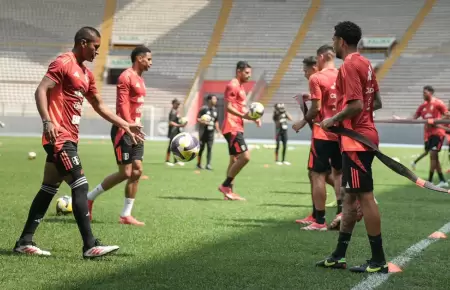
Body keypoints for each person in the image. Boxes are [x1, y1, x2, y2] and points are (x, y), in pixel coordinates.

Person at [13, 27, 144, 258]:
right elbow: (41, 90)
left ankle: (24, 241)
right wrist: (47, 121)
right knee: (80, 184)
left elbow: (100, 106)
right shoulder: (63, 62)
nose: (97, 52)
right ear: (83, 43)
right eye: (95, 47)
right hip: (58, 135)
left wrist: (125, 124)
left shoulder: (86, 74)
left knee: (48, 188)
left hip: (70, 137)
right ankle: (89, 245)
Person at [317, 21, 386, 273]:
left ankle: (378, 260)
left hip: (357, 141)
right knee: (349, 199)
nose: (333, 43)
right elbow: (375, 102)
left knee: (365, 197)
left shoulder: (347, 65)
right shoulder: (366, 63)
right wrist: (346, 120)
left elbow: (357, 104)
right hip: (360, 137)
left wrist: (334, 119)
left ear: (341, 41)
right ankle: (339, 255)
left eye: (334, 39)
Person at [87, 46, 152, 226]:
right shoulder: (126, 77)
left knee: (137, 170)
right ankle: (89, 199)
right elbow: (122, 105)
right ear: (139, 58)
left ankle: (126, 215)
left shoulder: (140, 78)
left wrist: (136, 126)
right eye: (149, 59)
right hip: (123, 130)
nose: (151, 63)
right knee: (126, 173)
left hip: (135, 130)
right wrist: (129, 125)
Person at [292, 45, 342, 231]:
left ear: (320, 57)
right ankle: (341, 212)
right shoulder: (342, 75)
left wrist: (302, 122)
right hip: (341, 132)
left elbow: (317, 109)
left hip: (322, 132)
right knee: (338, 173)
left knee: (317, 175)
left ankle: (319, 220)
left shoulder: (317, 77)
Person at [219, 61, 261, 201]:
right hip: (232, 127)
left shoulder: (241, 87)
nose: (249, 76)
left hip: (237, 126)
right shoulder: (233, 85)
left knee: (234, 160)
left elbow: (240, 107)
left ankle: (229, 192)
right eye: (247, 73)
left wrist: (253, 117)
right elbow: (228, 107)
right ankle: (225, 185)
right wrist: (245, 116)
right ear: (239, 71)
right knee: (245, 157)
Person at [407, 86, 448, 186]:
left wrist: (436, 121)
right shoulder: (423, 106)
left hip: (438, 133)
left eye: (425, 93)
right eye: (423, 93)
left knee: (433, 156)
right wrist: (400, 119)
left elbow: (447, 114)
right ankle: (442, 180)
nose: (423, 95)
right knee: (435, 158)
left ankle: (429, 181)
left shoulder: (438, 103)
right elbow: (414, 117)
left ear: (431, 93)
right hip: (428, 135)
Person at [197, 94, 220, 170]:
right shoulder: (203, 109)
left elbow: (216, 121)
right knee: (201, 148)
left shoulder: (215, 110)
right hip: (203, 132)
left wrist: (218, 130)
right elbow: (198, 118)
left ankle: (208, 164)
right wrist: (203, 122)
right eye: (214, 99)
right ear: (209, 100)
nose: (215, 100)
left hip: (211, 133)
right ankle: (199, 163)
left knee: (210, 148)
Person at [166, 99, 187, 166]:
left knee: (176, 146)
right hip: (173, 131)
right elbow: (171, 122)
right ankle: (167, 160)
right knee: (171, 146)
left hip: (176, 131)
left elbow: (177, 120)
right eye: (177, 104)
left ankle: (176, 160)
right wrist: (180, 125)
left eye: (179, 104)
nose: (178, 105)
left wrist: (182, 122)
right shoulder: (173, 112)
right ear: (173, 104)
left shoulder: (176, 111)